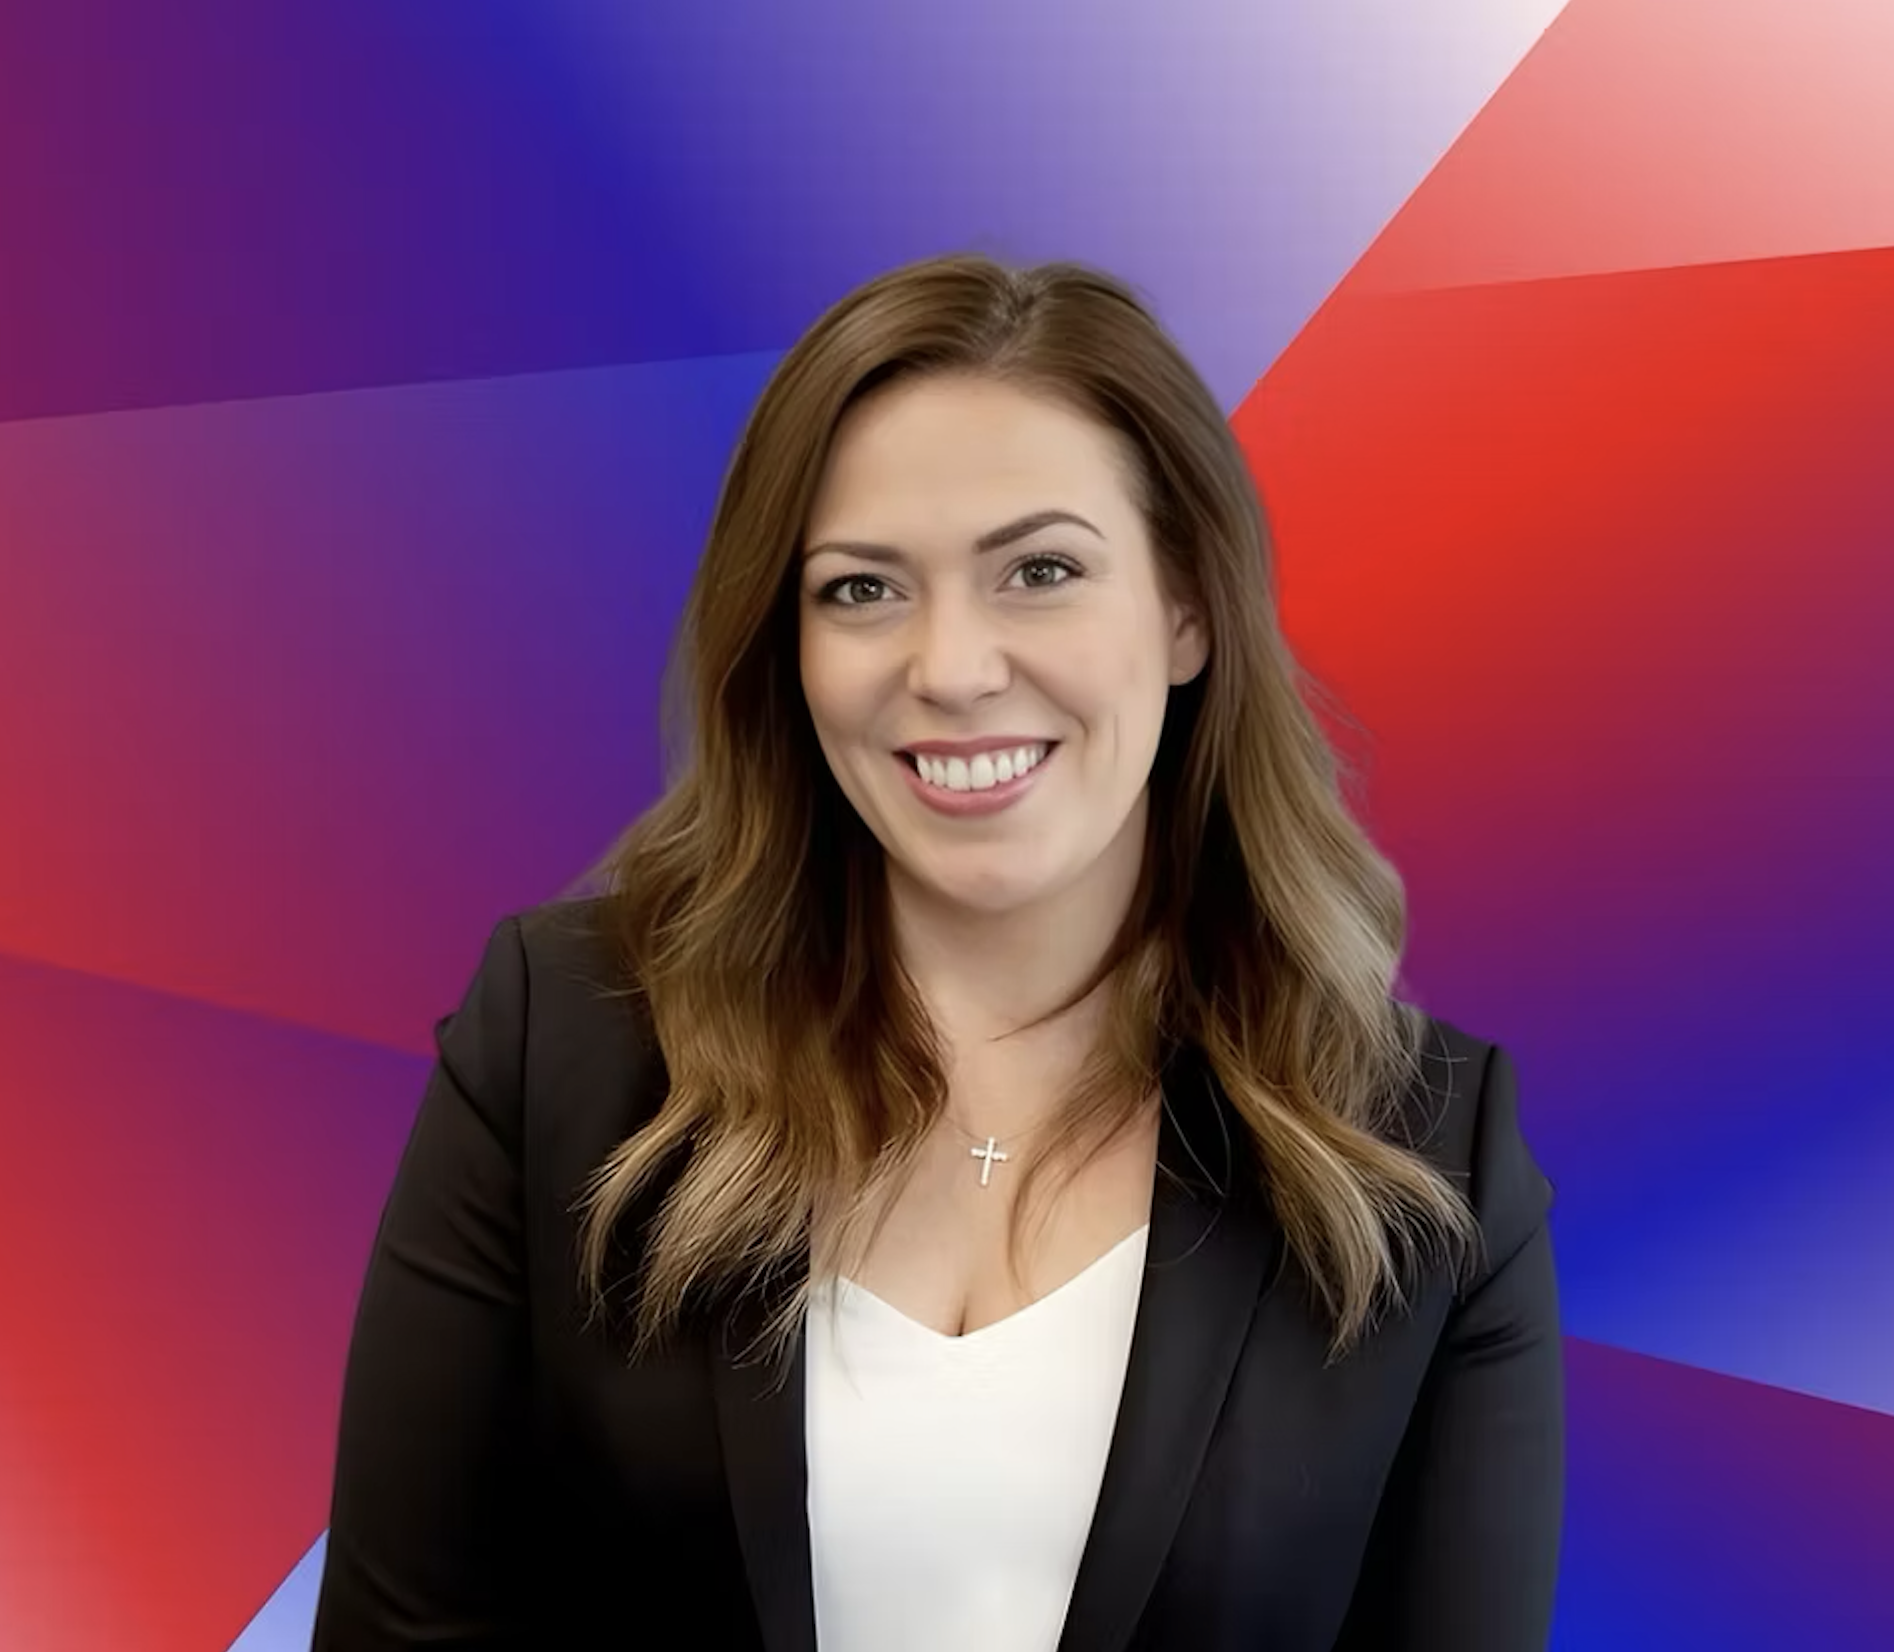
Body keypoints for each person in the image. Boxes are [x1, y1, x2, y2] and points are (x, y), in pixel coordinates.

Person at [311, 252, 1563, 1651]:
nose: (951, 667)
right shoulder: (561, 1039)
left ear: (1185, 611)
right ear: (782, 644)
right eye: (860, 591)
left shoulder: (1421, 1151)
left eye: (1039, 572)